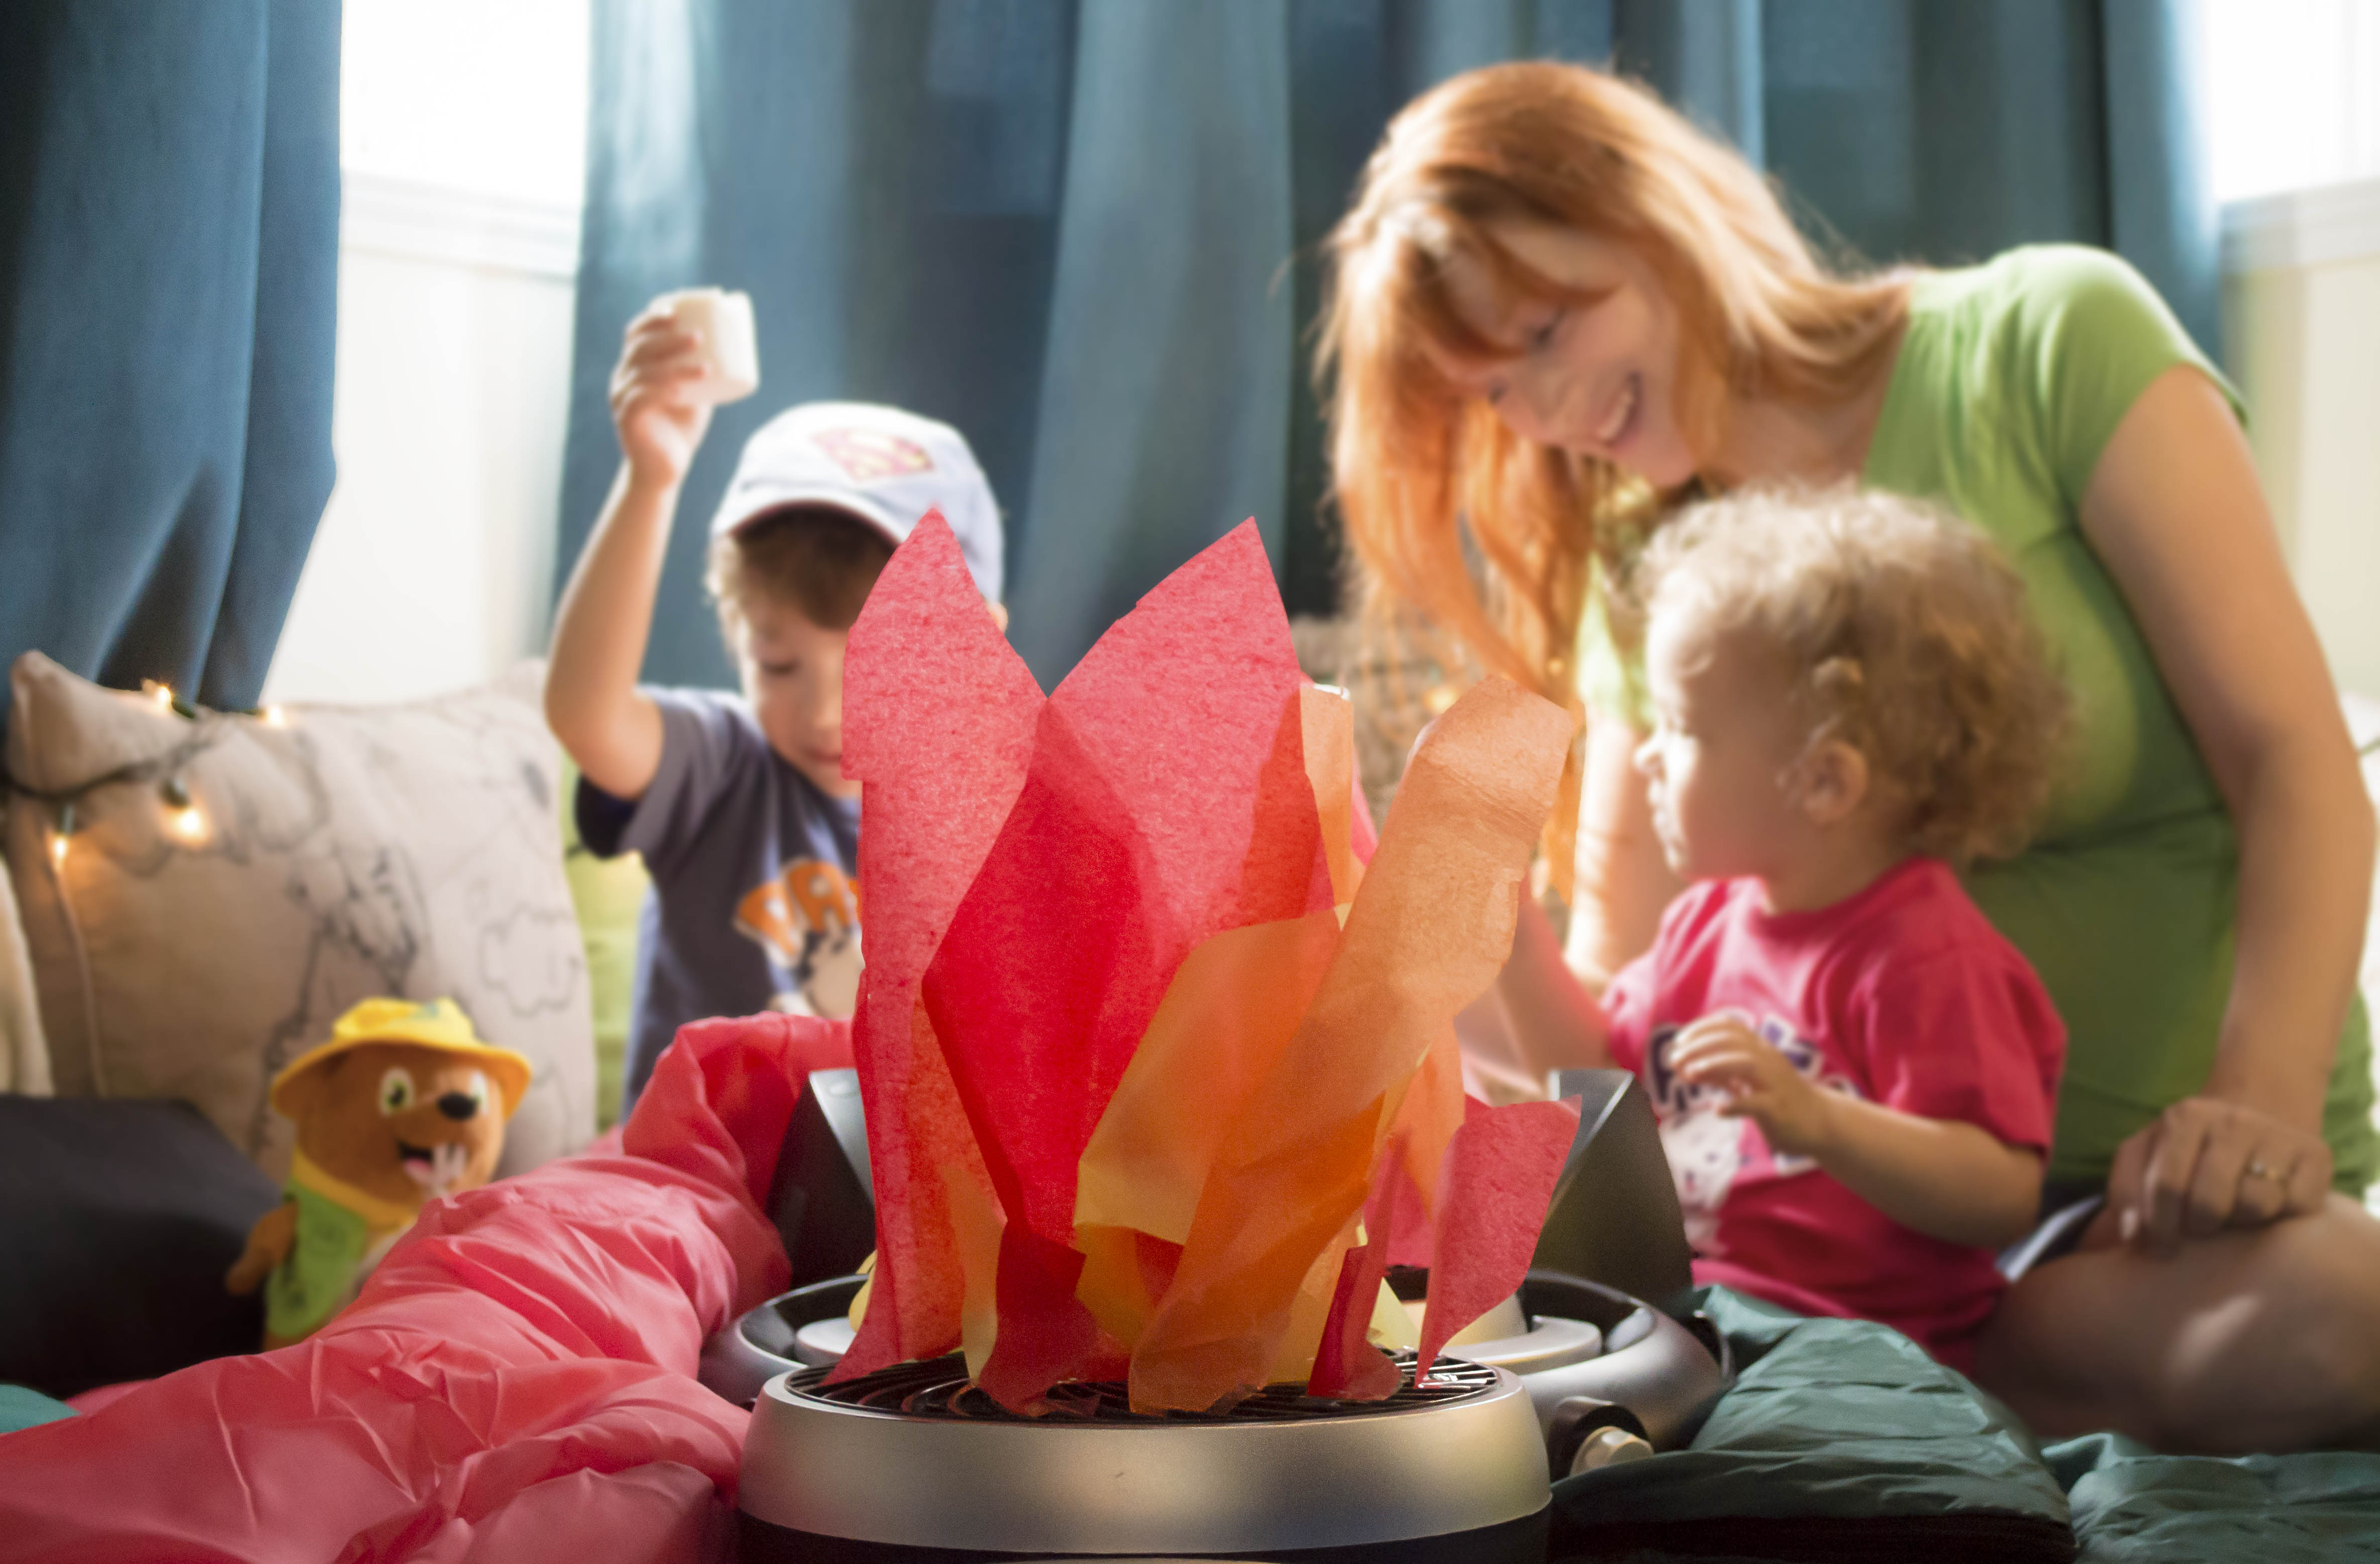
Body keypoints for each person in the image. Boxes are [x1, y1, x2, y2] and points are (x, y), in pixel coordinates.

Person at [1320, 59, 2380, 1452]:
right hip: (1816, 1266)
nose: (1544, 407)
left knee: (2334, 1315)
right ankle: (1868, 1381)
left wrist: (2252, 1110)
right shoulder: (1657, 579)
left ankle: (1903, 1389)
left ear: (1652, 215)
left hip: (2142, 1219)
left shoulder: (2048, 339)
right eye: (1493, 389)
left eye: (1544, 324)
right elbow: (1624, 1046)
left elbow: (2294, 756)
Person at [1569, 487, 2069, 1371]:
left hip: (1857, 1351)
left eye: (1684, 728)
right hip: (1691, 1316)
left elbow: (2000, 1193)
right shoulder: (1703, 926)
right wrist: (1482, 932)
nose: (1647, 754)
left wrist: (1821, 1122)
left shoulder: (1923, 956)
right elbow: (1597, 1086)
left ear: (1825, 784)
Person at [546, 299, 1007, 1114]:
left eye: (876, 666)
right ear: (737, 638)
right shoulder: (722, 767)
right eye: (780, 662)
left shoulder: (988, 818)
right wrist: (653, 481)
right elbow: (587, 716)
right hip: (688, 1193)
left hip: (873, 1214)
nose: (827, 713)